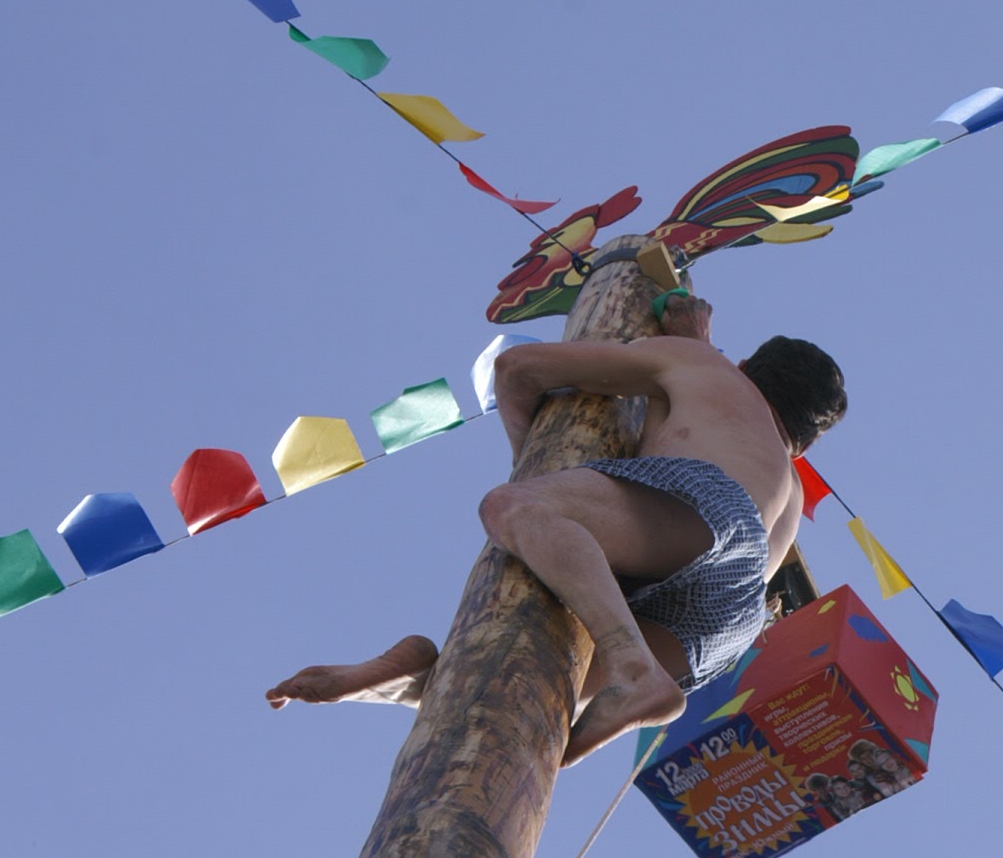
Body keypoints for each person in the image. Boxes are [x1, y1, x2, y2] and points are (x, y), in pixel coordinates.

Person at [266, 292, 848, 765]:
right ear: (804, 441)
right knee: (519, 694)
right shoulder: (791, 492)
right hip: (734, 616)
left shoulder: (710, 370)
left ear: (746, 367)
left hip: (709, 511)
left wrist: (534, 467)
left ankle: (632, 668)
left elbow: (518, 368)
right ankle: (417, 677)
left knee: (514, 508)